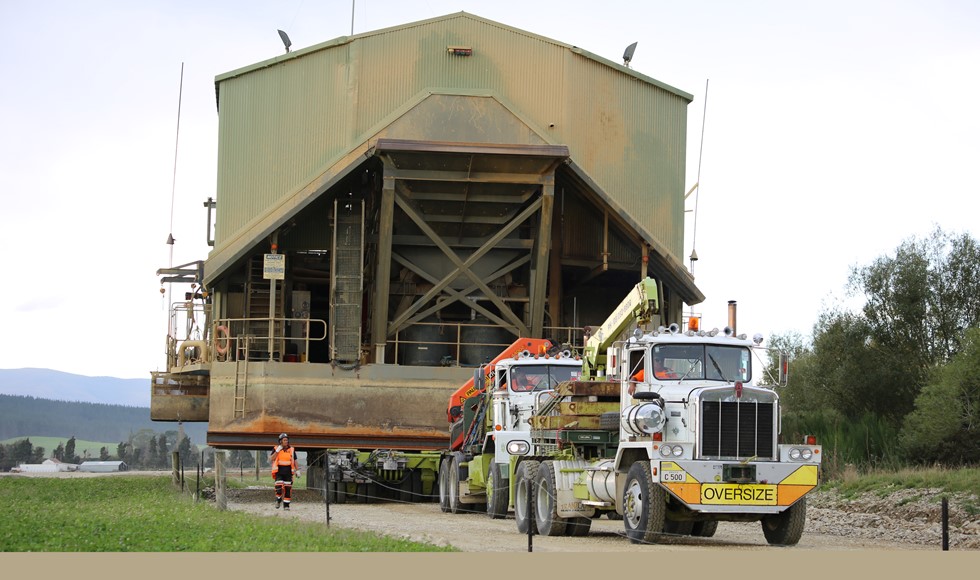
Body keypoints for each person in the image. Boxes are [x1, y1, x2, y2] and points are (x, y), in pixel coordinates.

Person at [270, 433, 299, 510]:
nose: (286, 441)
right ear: (280, 441)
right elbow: (271, 458)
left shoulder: (292, 450)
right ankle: (278, 500)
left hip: (288, 473)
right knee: (278, 487)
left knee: (288, 489)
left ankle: (286, 505)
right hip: (279, 472)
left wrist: (297, 470)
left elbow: (295, 460)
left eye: (287, 440)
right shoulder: (276, 448)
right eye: (284, 440)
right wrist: (277, 451)